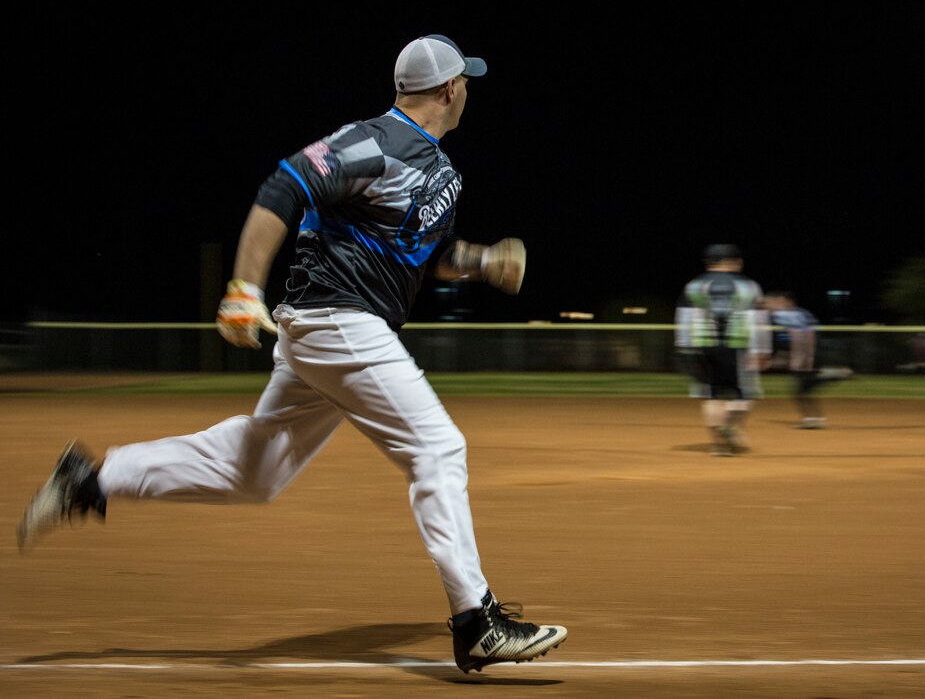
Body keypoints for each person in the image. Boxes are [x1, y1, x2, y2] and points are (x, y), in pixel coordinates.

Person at [16, 34, 566, 674]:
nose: (469, 88)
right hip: (340, 320)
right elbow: (284, 186)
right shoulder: (375, 140)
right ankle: (477, 622)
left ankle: (91, 479)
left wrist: (479, 261)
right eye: (466, 80)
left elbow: (422, 253)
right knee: (438, 448)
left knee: (256, 471)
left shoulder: (436, 166)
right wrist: (243, 287)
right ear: (448, 88)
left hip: (334, 331)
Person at [674, 244, 770, 456]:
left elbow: (684, 318)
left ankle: (718, 445)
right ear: (735, 261)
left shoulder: (694, 285)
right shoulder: (749, 285)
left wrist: (684, 347)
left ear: (708, 263)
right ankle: (730, 424)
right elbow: (758, 321)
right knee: (744, 395)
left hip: (702, 345)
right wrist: (762, 350)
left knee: (711, 396)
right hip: (737, 346)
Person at [763, 291, 853, 429]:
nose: (769, 306)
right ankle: (814, 419)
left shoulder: (787, 313)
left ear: (786, 302)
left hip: (804, 354)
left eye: (774, 302)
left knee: (800, 390)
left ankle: (833, 375)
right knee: (804, 389)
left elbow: (775, 320)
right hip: (808, 352)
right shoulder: (800, 313)